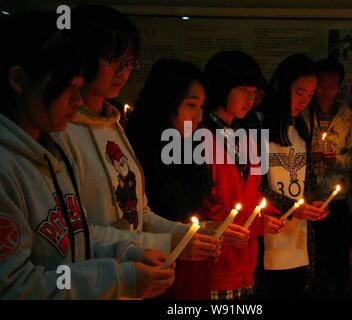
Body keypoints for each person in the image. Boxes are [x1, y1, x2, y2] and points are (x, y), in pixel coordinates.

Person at [0, 12, 174, 299]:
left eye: (129, 63)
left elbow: (75, 237)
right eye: (67, 87)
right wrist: (118, 277)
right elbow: (14, 287)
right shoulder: (11, 165)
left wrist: (130, 252)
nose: (77, 101)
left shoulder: (50, 153)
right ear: (19, 80)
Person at [53, 5, 220, 267]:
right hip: (92, 278)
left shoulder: (113, 124)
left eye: (129, 62)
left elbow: (139, 213)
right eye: (114, 60)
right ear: (83, 56)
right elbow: (74, 232)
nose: (124, 72)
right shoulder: (61, 131)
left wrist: (186, 234)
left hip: (133, 274)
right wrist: (169, 242)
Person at [127, 59, 245, 299]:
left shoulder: (191, 146)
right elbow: (141, 218)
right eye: (191, 105)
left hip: (189, 273)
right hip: (149, 269)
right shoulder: (136, 150)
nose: (199, 117)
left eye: (202, 106)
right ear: (165, 102)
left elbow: (189, 212)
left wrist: (210, 228)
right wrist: (180, 237)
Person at [201, 50, 276, 300]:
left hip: (243, 264)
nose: (250, 99)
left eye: (254, 92)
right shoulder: (198, 137)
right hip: (212, 265)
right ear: (222, 86)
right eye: (244, 89)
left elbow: (251, 196)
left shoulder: (243, 137)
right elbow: (203, 206)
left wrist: (268, 215)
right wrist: (255, 223)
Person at [259, 54, 329, 299]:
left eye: (310, 95)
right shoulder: (257, 126)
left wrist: (316, 202)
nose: (304, 101)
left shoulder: (301, 128)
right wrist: (291, 208)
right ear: (280, 85)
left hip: (298, 238)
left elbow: (307, 178)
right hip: (266, 233)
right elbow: (255, 185)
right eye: (299, 92)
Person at [302, 58, 352, 263]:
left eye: (333, 86)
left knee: (333, 255)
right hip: (305, 198)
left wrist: (335, 160)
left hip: (336, 200)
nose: (327, 92)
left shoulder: (349, 118)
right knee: (307, 256)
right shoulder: (302, 114)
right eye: (322, 86)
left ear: (340, 88)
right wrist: (310, 158)